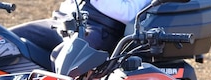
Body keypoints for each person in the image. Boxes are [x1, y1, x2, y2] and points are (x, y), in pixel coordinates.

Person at [11, 0, 152, 55]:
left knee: (65, 55)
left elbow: (130, 13)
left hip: (98, 29)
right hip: (63, 21)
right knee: (6, 37)